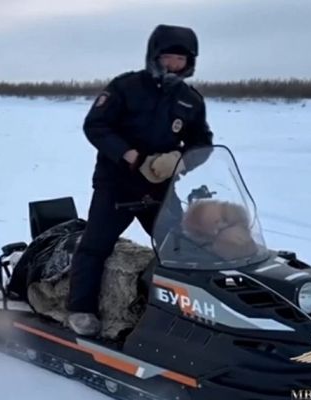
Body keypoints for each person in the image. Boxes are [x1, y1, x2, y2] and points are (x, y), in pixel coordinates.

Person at [66, 24, 215, 336]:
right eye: (168, 58)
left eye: (181, 60)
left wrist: (180, 161)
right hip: (116, 183)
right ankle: (80, 309)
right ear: (154, 56)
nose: (174, 65)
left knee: (179, 248)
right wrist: (131, 156)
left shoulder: (190, 101)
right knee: (95, 246)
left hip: (159, 188)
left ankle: (188, 315)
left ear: (190, 63)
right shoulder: (125, 87)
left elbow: (203, 142)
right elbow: (96, 126)